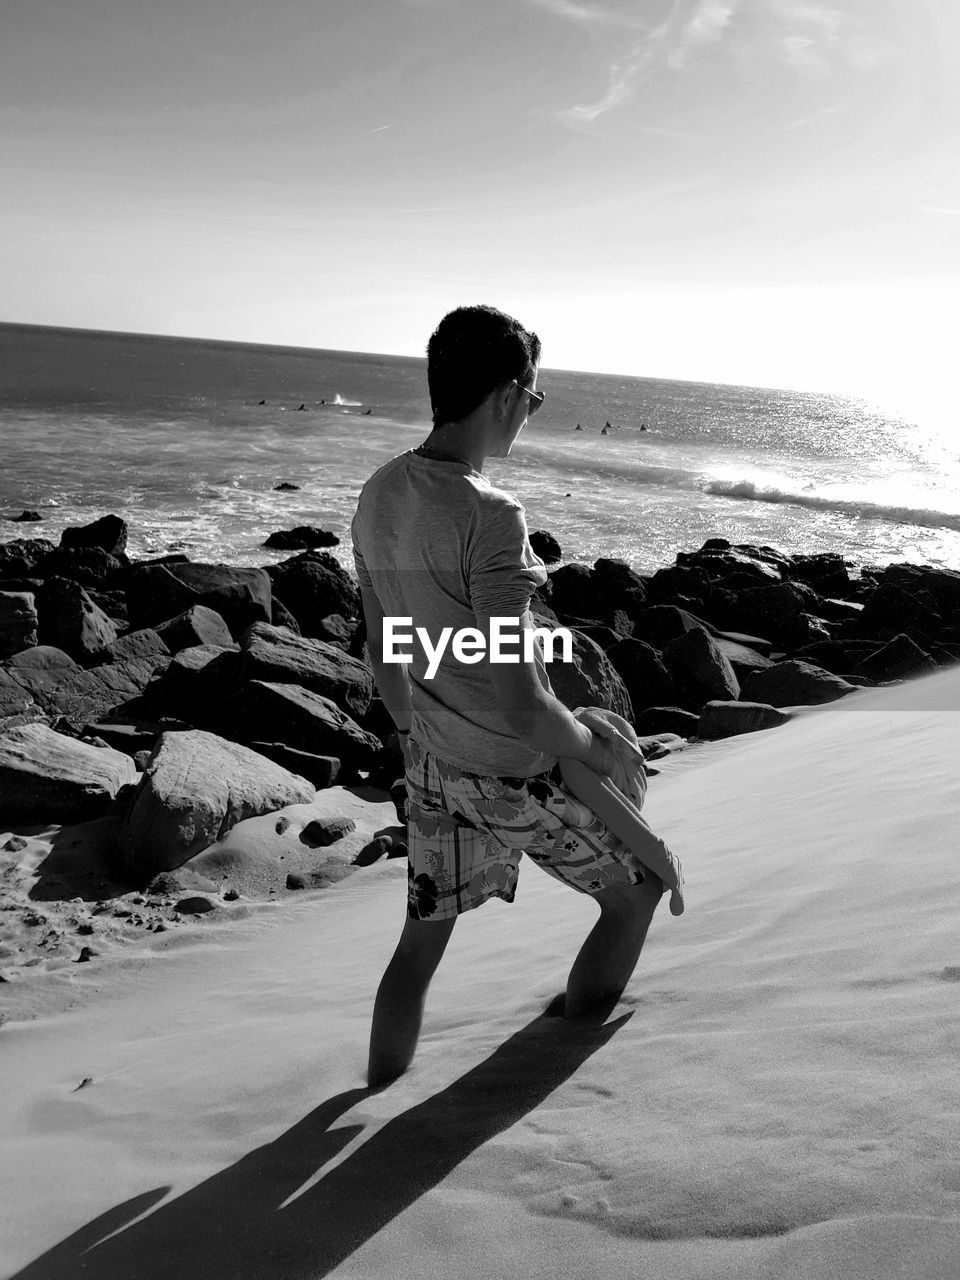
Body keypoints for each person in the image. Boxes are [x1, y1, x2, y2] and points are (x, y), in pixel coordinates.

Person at [350, 305, 683, 1089]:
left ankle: (369, 1097)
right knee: (634, 897)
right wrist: (598, 746)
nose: (529, 417)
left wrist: (411, 734)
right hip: (509, 769)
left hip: (434, 762)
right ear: (505, 394)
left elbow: (384, 643)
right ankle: (549, 1075)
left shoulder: (380, 492)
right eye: (533, 401)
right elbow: (522, 702)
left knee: (420, 943)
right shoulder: (491, 519)